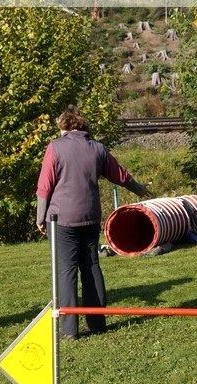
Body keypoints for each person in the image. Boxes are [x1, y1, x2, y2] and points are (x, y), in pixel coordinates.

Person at [36, 105, 150, 340]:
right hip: (90, 217)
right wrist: (141, 190)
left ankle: (69, 329)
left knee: (66, 270)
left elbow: (45, 186)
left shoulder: (55, 147)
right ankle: (97, 323)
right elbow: (120, 175)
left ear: (63, 126)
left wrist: (40, 217)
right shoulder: (98, 148)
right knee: (91, 267)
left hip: (62, 220)